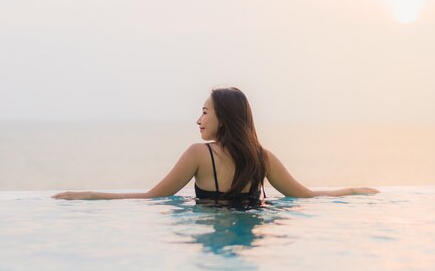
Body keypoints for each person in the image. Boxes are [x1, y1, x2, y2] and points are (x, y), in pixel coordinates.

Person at [51, 87, 379, 201]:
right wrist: (351, 191)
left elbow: (152, 197)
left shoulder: (198, 154)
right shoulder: (263, 158)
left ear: (223, 116)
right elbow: (307, 196)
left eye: (205, 111)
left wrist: (91, 195)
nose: (198, 119)